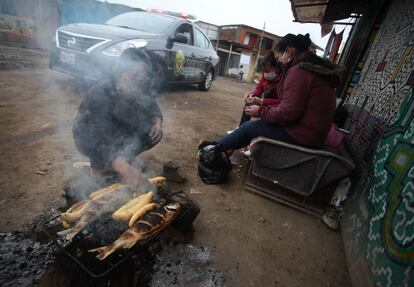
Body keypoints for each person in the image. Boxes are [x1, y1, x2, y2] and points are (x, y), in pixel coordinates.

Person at [217, 33, 340, 152]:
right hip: (309, 131)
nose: (279, 61)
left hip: (305, 134)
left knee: (249, 128)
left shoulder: (299, 72)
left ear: (288, 51)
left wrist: (261, 110)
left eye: (278, 58)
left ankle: (215, 149)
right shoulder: (305, 68)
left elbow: (288, 112)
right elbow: (288, 105)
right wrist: (257, 101)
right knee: (255, 124)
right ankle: (224, 147)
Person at [72, 49, 163, 190]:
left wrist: (157, 125)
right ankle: (98, 171)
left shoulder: (141, 87)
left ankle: (123, 160)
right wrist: (128, 172)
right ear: (121, 75)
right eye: (135, 76)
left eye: (144, 77)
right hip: (90, 136)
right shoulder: (99, 95)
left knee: (147, 132)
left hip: (118, 132)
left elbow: (153, 110)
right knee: (95, 141)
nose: (140, 81)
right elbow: (103, 140)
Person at [239, 51, 282, 126]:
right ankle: (241, 127)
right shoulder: (265, 77)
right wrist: (252, 95)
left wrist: (262, 101)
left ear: (276, 67)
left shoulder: (282, 80)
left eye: (267, 71)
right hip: (265, 103)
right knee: (249, 102)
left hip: (276, 107)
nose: (265, 74)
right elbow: (259, 88)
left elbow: (281, 101)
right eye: (263, 71)